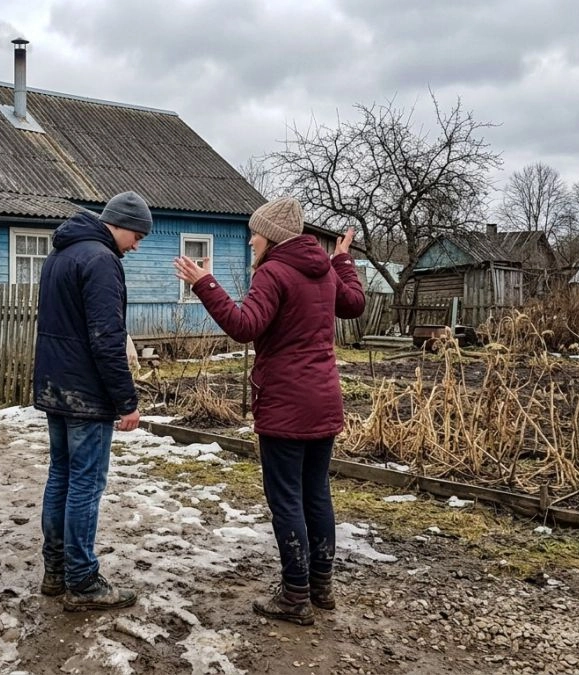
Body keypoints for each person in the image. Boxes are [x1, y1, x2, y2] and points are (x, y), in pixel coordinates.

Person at [173, 196, 364, 625]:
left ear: (271, 236)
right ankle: (321, 586)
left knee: (286, 500)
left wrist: (205, 284)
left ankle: (294, 597)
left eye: (254, 233)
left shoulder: (274, 272)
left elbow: (244, 327)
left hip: (286, 404)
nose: (251, 241)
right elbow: (354, 303)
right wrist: (342, 261)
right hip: (323, 398)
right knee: (316, 494)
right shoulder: (323, 272)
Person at [33, 191, 150, 611]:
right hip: (86, 393)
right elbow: (107, 339)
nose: (136, 245)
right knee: (85, 483)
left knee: (61, 476)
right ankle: (82, 582)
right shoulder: (101, 261)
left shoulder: (60, 256)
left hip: (55, 386)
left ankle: (56, 571)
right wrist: (126, 400)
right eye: (136, 236)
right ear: (116, 224)